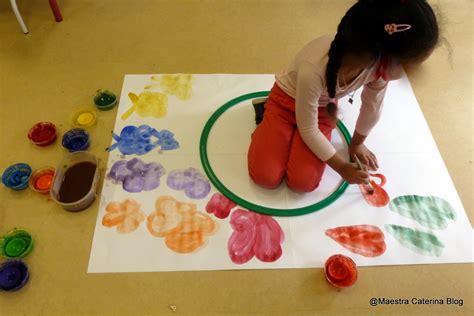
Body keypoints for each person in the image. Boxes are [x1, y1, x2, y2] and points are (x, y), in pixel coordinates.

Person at [248, 0, 439, 193]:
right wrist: (341, 166)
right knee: (266, 178)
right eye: (405, 66)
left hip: (322, 109)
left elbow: (372, 107)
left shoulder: (377, 66)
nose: (404, 75)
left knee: (302, 183)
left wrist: (357, 143)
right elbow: (308, 130)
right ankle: (268, 119)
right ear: (382, 55)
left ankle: (280, 134)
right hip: (285, 102)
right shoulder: (314, 68)